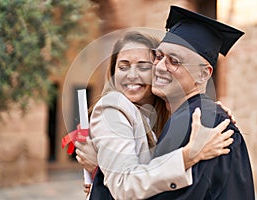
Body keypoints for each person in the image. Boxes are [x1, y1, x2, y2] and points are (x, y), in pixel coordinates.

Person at [74, 31, 234, 199]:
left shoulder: (159, 116)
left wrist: (209, 109)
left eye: (143, 67)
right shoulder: (113, 107)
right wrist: (188, 156)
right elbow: (124, 185)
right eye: (123, 67)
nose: (132, 75)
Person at [145, 6, 255, 199]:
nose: (160, 67)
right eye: (159, 56)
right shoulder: (204, 116)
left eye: (174, 61)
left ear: (204, 74)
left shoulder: (195, 123)